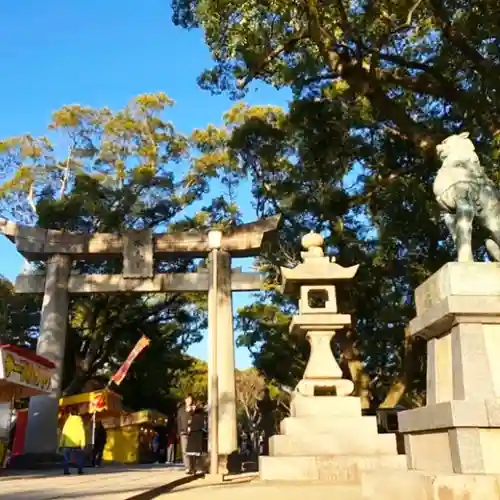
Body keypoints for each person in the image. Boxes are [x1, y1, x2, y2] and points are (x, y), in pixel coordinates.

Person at [59, 409, 87, 475]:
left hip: (67, 444)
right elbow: (82, 433)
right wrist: (83, 443)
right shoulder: (79, 421)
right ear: (78, 414)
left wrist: (61, 444)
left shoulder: (67, 422)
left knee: (66, 458)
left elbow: (64, 433)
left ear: (70, 414)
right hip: (77, 444)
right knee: (79, 458)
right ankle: (80, 470)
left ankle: (66, 471)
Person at [185, 400, 206, 474]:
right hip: (192, 435)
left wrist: (191, 428)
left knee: (195, 454)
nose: (192, 407)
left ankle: (195, 468)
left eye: (194, 406)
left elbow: (200, 425)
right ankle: (191, 468)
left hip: (196, 435)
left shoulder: (199, 415)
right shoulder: (192, 415)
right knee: (191, 454)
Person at [256, 388, 276, 456]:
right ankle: (268, 450)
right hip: (269, 419)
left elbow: (258, 405)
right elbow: (274, 404)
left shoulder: (262, 402)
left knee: (265, 437)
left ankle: (266, 451)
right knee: (268, 436)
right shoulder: (270, 402)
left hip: (265, 419)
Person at [177, 394, 193, 472]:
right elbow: (179, 421)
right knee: (184, 450)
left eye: (190, 399)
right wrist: (179, 431)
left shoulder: (193, 409)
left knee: (192, 450)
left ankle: (192, 466)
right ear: (185, 400)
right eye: (188, 399)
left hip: (192, 433)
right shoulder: (181, 410)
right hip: (183, 432)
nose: (189, 400)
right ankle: (187, 467)